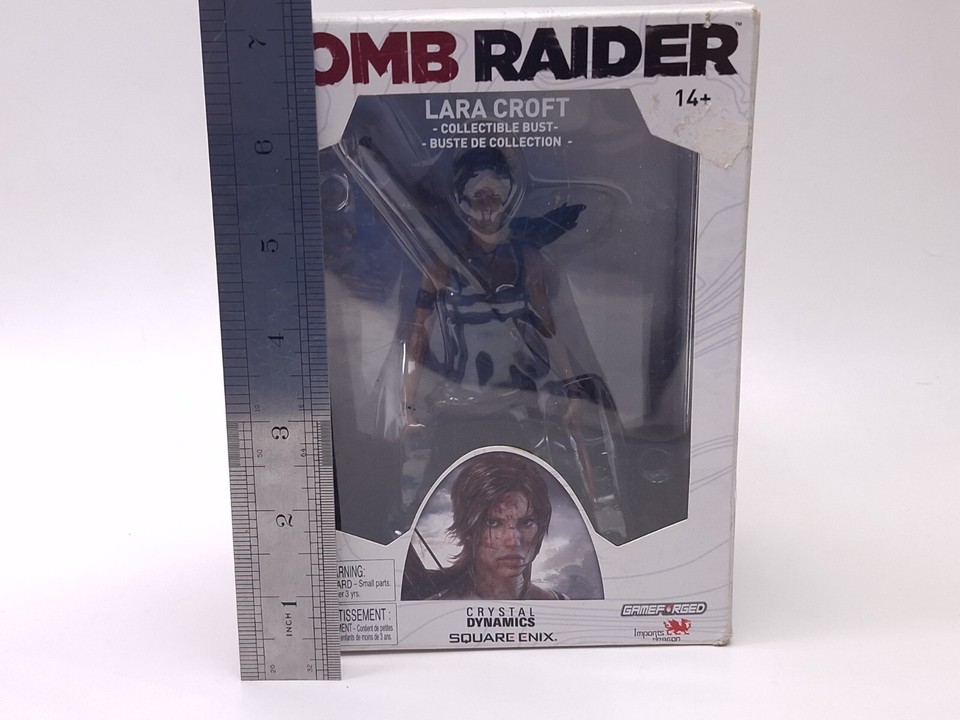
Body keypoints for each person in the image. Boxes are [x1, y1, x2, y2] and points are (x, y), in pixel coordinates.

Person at [415, 452, 569, 600]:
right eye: (493, 523)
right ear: (468, 531)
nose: (513, 541)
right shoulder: (435, 608)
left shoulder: (560, 603)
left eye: (526, 522)